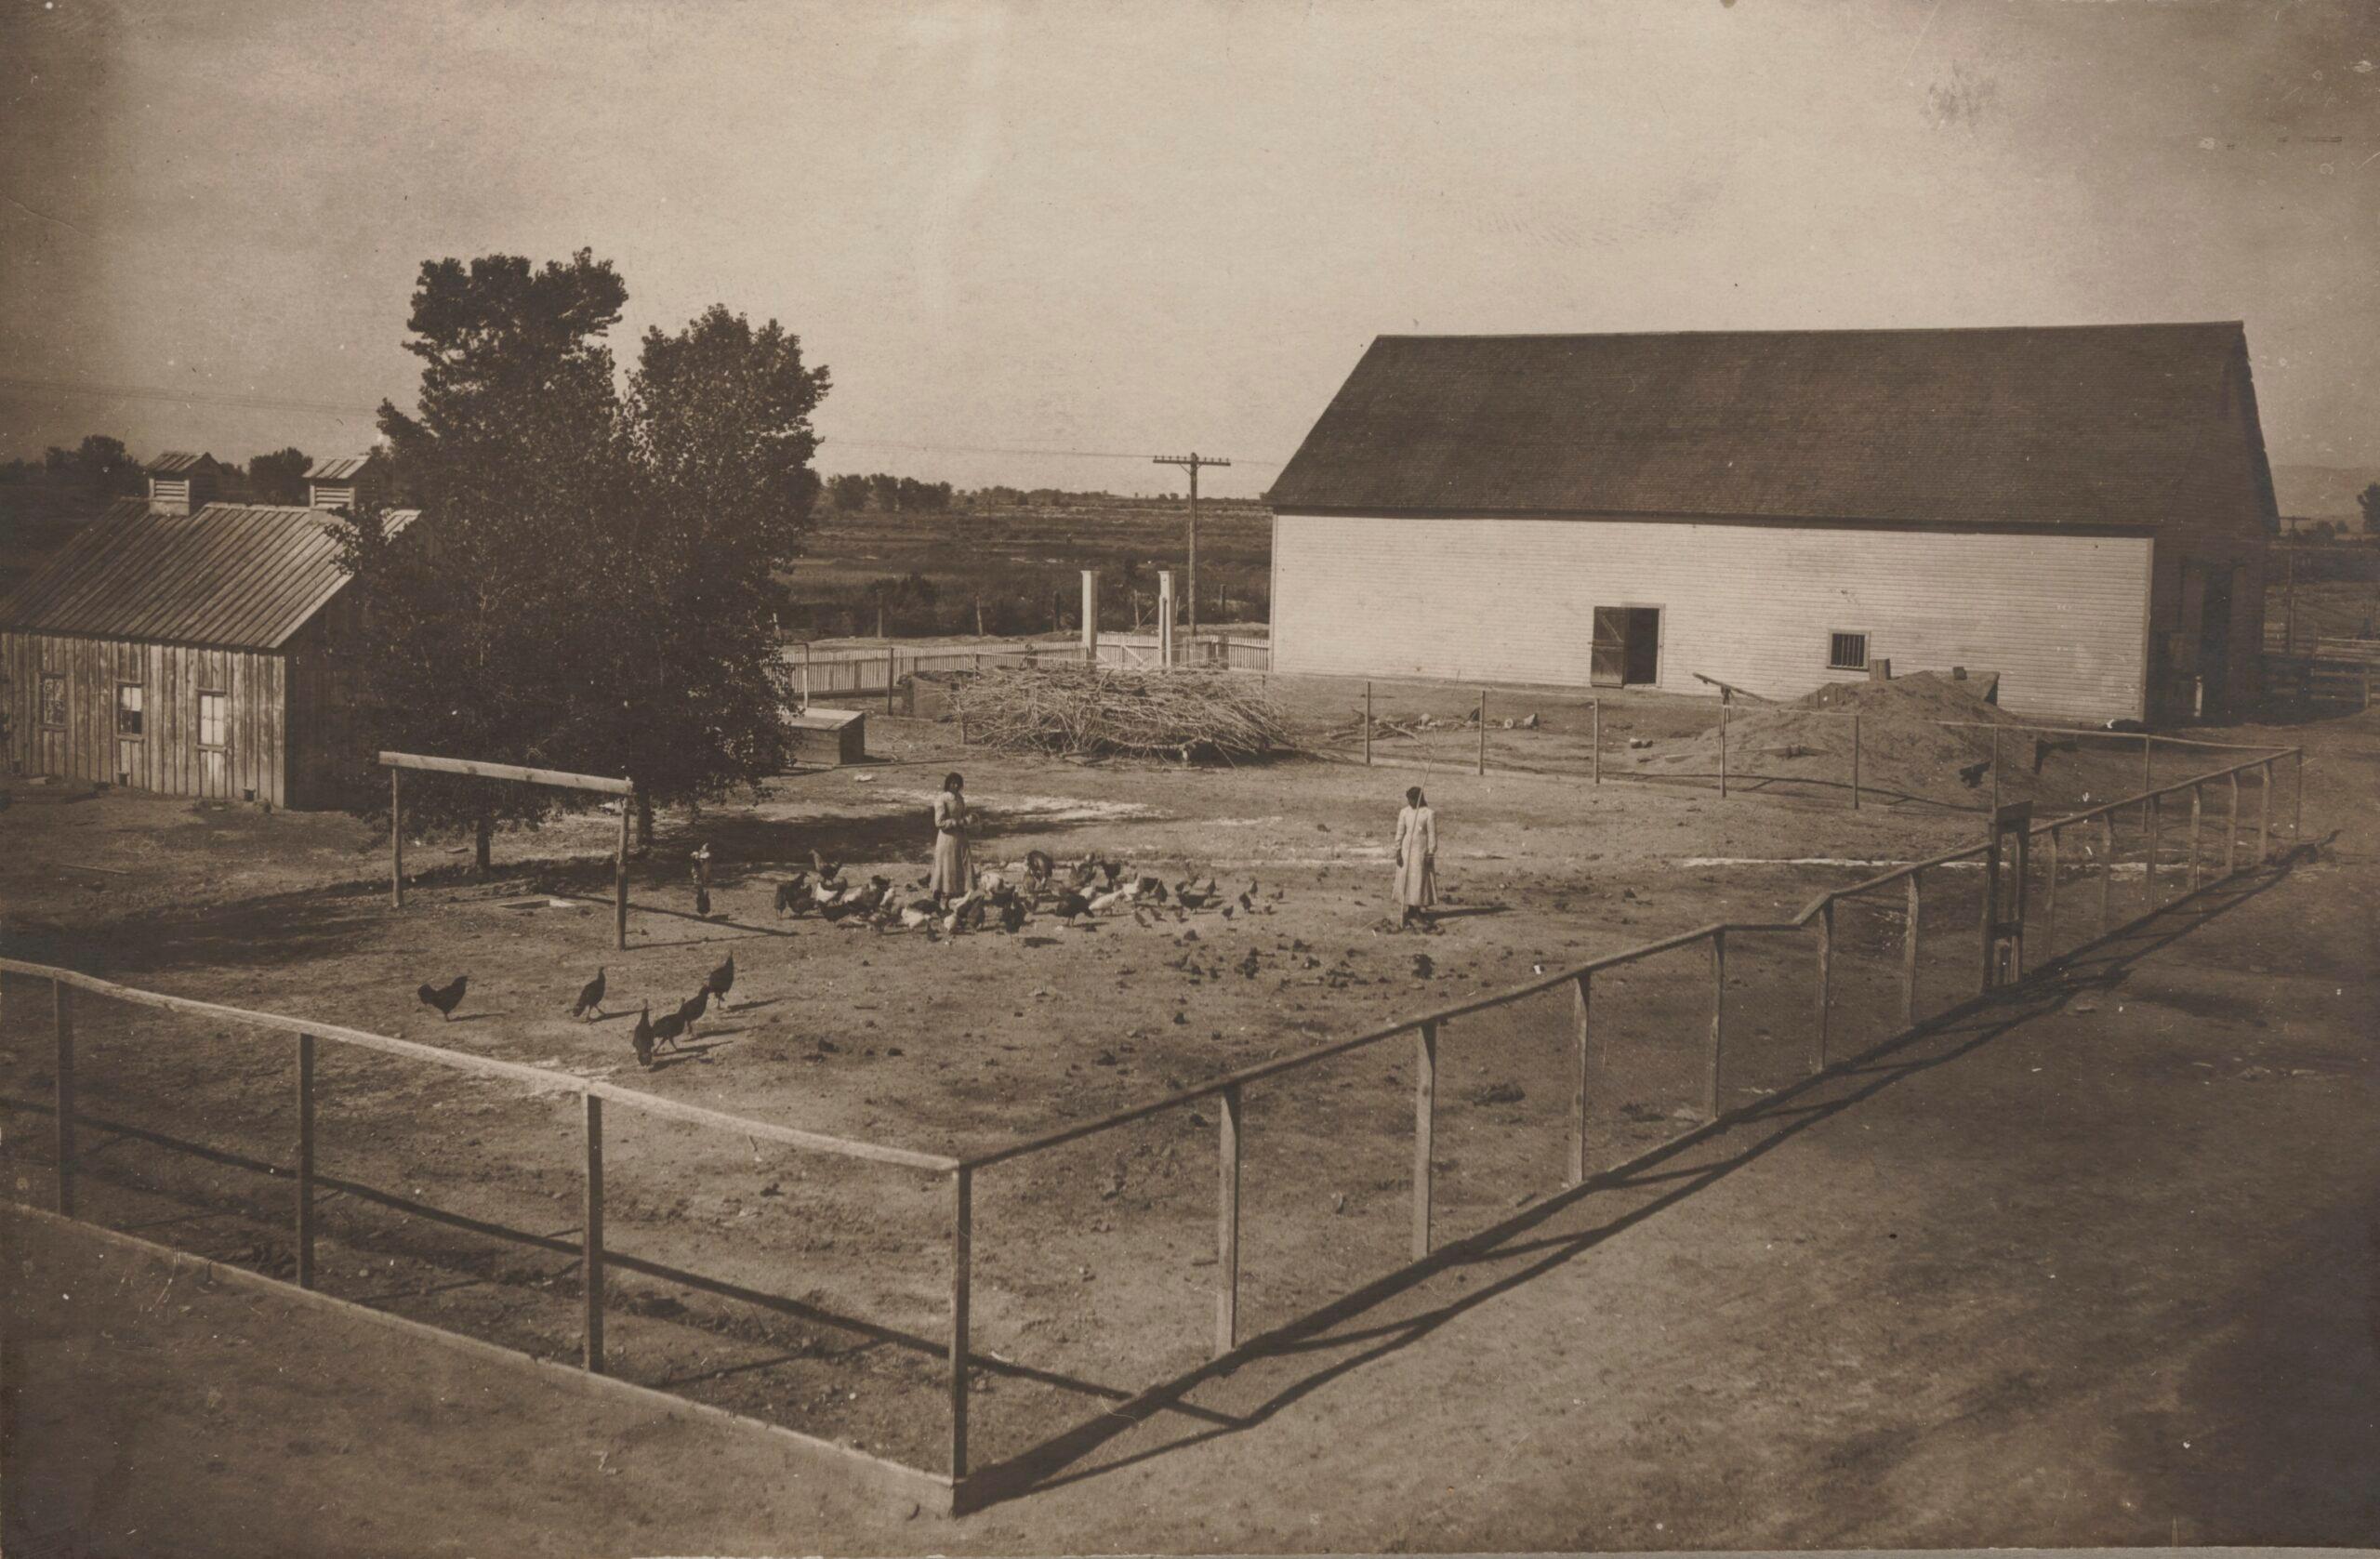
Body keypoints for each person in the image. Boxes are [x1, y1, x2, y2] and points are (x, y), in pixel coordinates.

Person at [1395, 786, 1436, 930]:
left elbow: (1432, 834)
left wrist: (1431, 852)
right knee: (1407, 878)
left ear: (1419, 798)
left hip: (1421, 851)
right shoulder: (1404, 812)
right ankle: (1409, 910)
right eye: (1408, 800)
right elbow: (1400, 832)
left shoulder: (1428, 813)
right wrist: (1398, 850)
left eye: (1412, 799)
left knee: (1419, 879)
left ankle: (1417, 910)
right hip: (1407, 850)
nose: (1410, 802)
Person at [931, 772, 972, 905]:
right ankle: (944, 895)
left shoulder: (960, 798)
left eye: (957, 783)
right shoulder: (942, 799)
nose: (955, 786)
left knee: (961, 863)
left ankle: (960, 893)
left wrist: (968, 820)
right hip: (947, 838)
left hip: (960, 837)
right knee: (947, 865)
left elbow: (962, 814)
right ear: (947, 784)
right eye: (952, 783)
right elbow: (939, 822)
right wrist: (955, 822)